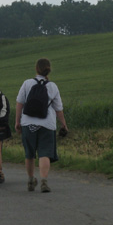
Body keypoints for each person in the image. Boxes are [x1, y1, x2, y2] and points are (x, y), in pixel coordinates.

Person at [15, 58, 69, 193]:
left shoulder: (27, 83)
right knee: (44, 153)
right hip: (47, 124)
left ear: (36, 69)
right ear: (49, 70)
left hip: (28, 123)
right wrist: (63, 124)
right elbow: (58, 109)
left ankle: (30, 180)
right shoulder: (53, 86)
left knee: (29, 154)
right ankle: (44, 182)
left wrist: (17, 121)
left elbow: (19, 103)